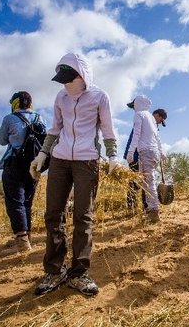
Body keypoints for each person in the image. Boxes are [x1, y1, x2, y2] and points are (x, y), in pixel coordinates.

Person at [29, 53, 120, 297]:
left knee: (83, 216)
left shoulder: (100, 96)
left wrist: (112, 156)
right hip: (59, 160)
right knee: (53, 214)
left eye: (70, 79)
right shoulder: (61, 97)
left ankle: (79, 273)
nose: (66, 84)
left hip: (86, 160)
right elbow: (55, 128)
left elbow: (108, 129)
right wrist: (42, 155)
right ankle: (55, 270)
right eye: (63, 80)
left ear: (83, 75)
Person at [0, 91, 47, 255]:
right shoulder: (39, 118)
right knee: (27, 202)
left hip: (15, 163)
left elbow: (2, 140)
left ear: (15, 104)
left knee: (14, 201)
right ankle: (28, 238)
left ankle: (22, 241)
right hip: (35, 165)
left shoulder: (9, 119)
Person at [125, 95, 165, 223]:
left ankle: (153, 212)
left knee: (148, 183)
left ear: (138, 103)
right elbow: (157, 137)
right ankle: (150, 211)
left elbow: (136, 135)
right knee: (146, 182)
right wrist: (161, 151)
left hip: (145, 152)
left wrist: (131, 152)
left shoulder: (139, 115)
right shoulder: (150, 118)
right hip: (153, 153)